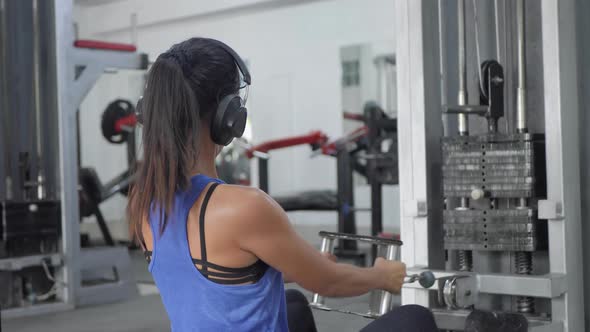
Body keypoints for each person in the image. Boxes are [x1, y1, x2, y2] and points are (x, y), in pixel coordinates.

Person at [127, 37, 438, 332]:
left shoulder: (144, 199)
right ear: (229, 118)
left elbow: (199, 273)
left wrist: (302, 264)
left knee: (293, 305)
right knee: (414, 318)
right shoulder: (243, 207)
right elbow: (328, 284)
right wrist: (380, 276)